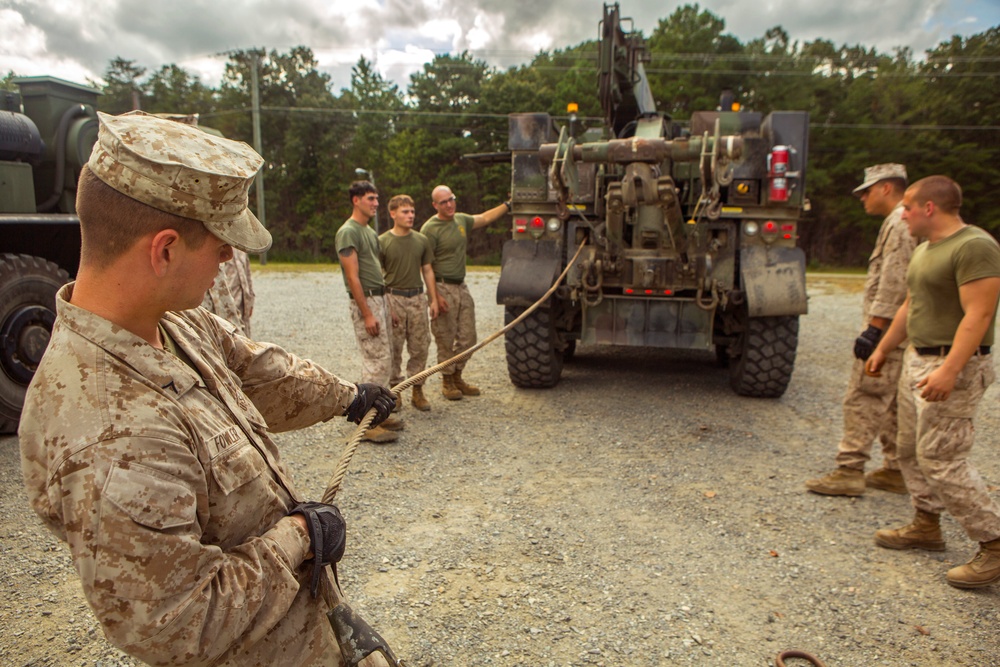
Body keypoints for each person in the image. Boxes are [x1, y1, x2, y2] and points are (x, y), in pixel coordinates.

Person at [18, 111, 396, 666]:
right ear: (164, 249)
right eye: (222, 249)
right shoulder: (108, 433)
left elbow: (254, 368)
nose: (227, 264)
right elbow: (181, 621)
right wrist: (299, 538)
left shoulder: (169, 321)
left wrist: (348, 396)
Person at [866, 175, 1000, 589]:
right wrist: (884, 347)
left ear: (929, 208)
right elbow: (911, 303)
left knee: (942, 457)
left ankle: (994, 542)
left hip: (951, 365)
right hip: (919, 360)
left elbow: (978, 315)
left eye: (908, 206)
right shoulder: (926, 250)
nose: (901, 213)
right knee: (909, 449)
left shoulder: (974, 247)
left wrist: (950, 370)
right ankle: (926, 525)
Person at [806, 164, 917, 496]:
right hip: (902, 329)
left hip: (887, 330)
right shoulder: (902, 221)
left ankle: (849, 470)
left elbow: (895, 280)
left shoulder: (899, 223)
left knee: (864, 396)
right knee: (894, 400)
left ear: (886, 188)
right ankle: (896, 469)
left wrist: (875, 328)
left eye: (866, 191)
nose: (862, 198)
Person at [421, 185, 510, 400]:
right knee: (445, 336)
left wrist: (508, 205)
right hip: (442, 287)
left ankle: (458, 375)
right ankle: (447, 381)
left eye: (451, 199)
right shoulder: (430, 229)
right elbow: (426, 266)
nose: (449, 204)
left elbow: (485, 218)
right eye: (444, 202)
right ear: (435, 205)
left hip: (461, 286)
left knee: (469, 337)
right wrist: (434, 297)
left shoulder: (460, 220)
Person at [336, 180, 404, 443]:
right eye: (370, 199)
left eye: (376, 199)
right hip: (365, 302)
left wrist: (389, 308)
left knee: (384, 359)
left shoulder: (368, 232)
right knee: (375, 362)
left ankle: (379, 414)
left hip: (379, 300)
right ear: (356, 200)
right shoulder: (348, 232)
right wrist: (367, 313)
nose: (376, 204)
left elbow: (377, 272)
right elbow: (353, 277)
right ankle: (367, 423)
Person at [379, 194, 440, 411]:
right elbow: (379, 275)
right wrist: (388, 304)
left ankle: (417, 390)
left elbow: (427, 270)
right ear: (393, 213)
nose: (410, 215)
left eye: (412, 211)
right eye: (405, 212)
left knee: (420, 346)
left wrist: (432, 299)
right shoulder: (383, 241)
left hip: (416, 299)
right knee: (394, 348)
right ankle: (395, 392)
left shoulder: (421, 240)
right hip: (394, 297)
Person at [201, 248, 255, 336]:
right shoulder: (219, 247)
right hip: (225, 301)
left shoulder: (241, 248)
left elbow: (247, 273)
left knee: (242, 333)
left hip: (240, 303)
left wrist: (251, 299)